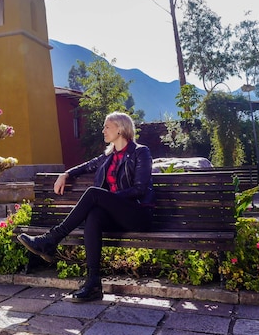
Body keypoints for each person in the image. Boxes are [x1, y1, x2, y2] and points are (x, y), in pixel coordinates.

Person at [17, 111, 155, 302]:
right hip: (117, 217)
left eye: (107, 126)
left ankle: (51, 239)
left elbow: (139, 189)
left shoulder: (141, 152)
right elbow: (86, 167)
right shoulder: (108, 156)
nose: (103, 130)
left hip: (138, 215)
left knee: (94, 195)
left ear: (121, 129)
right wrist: (66, 174)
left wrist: (108, 198)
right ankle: (93, 284)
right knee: (94, 216)